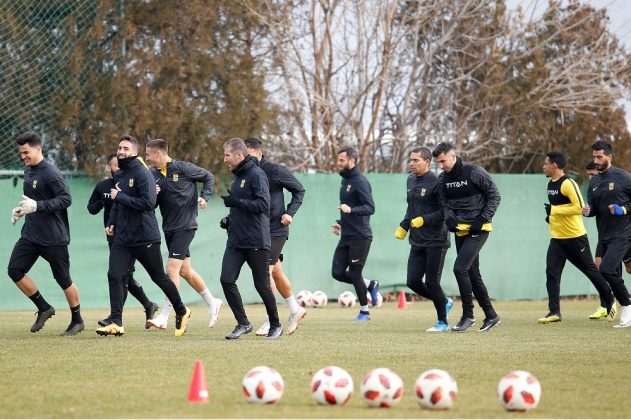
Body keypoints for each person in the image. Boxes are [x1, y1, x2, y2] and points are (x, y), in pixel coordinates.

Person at [96, 134, 191, 337]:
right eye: (119, 148)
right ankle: (116, 321)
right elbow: (117, 202)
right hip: (123, 238)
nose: (121, 151)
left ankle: (182, 311)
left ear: (134, 152)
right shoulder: (120, 174)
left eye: (126, 149)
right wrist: (112, 222)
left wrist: (121, 196)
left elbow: (148, 203)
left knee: (159, 277)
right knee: (115, 275)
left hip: (145, 237)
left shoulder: (142, 172)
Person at [8, 132, 84, 335]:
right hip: (31, 234)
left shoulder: (51, 172)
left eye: (26, 152)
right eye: (21, 153)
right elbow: (32, 199)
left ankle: (77, 320)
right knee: (14, 270)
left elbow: (66, 199)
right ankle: (44, 307)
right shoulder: (28, 170)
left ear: (38, 149)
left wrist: (37, 206)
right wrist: (20, 210)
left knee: (63, 279)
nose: (23, 156)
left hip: (53, 237)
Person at [143, 139, 223, 329]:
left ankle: (164, 316)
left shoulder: (183, 168)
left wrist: (204, 196)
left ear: (159, 154)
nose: (146, 158)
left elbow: (209, 177)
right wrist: (153, 194)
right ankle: (212, 302)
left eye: (148, 154)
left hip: (186, 226)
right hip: (169, 228)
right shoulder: (151, 174)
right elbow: (152, 204)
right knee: (185, 271)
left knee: (171, 270)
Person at [539, 151, 615, 324]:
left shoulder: (568, 183)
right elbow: (557, 208)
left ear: (554, 165)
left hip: (575, 237)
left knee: (590, 271)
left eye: (545, 163)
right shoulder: (549, 184)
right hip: (557, 238)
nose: (543, 166)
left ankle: (610, 298)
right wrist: (550, 217)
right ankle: (554, 312)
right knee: (551, 273)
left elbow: (580, 207)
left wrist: (554, 211)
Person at [432, 142, 501, 332]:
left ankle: (468, 315)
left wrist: (482, 218)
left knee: (459, 268)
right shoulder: (442, 179)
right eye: (438, 162)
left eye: (443, 161)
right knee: (472, 274)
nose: (441, 166)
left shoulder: (475, 172)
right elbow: (444, 204)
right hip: (460, 231)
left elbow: (495, 196)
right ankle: (491, 315)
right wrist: (449, 219)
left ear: (453, 156)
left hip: (479, 229)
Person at [243, 137, 307, 336]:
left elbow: (299, 190)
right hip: (257, 230)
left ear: (259, 153)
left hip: (276, 229)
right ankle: (295, 309)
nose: (247, 159)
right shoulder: (244, 174)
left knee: (264, 272)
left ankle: (271, 320)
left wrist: (289, 213)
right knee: (276, 272)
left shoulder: (275, 170)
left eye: (250, 155)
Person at [219, 137, 282, 339]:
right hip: (236, 240)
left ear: (239, 155)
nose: (224, 159)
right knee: (226, 279)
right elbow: (241, 206)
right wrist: (229, 220)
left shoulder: (257, 174)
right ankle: (243, 323)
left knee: (262, 285)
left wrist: (237, 202)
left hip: (256, 240)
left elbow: (264, 205)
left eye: (227, 155)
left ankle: (275, 324)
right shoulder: (238, 176)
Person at [87, 153, 159, 328]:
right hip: (113, 236)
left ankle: (116, 317)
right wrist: (102, 203)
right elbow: (91, 207)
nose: (119, 168)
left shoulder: (132, 181)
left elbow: (148, 202)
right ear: (108, 168)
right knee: (122, 275)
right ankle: (147, 305)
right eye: (115, 165)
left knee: (122, 276)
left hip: (133, 236)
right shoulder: (103, 186)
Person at [394, 146, 452, 332]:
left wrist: (424, 220)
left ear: (427, 162)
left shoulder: (437, 182)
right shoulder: (410, 180)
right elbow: (411, 208)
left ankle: (442, 322)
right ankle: (444, 301)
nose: (411, 163)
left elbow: (444, 212)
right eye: (410, 160)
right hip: (417, 240)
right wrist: (404, 225)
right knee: (412, 281)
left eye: (416, 160)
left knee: (432, 283)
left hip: (436, 240)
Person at [582, 140, 631, 328]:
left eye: (599, 157)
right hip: (604, 236)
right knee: (625, 270)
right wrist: (589, 211)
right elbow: (593, 207)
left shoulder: (624, 177)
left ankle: (626, 306)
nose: (596, 160)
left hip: (624, 234)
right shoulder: (594, 181)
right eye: (594, 157)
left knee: (606, 269)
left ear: (609, 157)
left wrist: (623, 209)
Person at [331, 146, 380, 321]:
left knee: (355, 273)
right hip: (346, 235)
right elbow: (347, 209)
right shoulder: (345, 181)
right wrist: (340, 223)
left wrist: (351, 210)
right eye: (338, 160)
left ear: (352, 161)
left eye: (342, 160)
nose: (338, 163)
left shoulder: (360, 182)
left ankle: (365, 312)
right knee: (337, 272)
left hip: (361, 236)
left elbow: (370, 207)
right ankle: (371, 284)